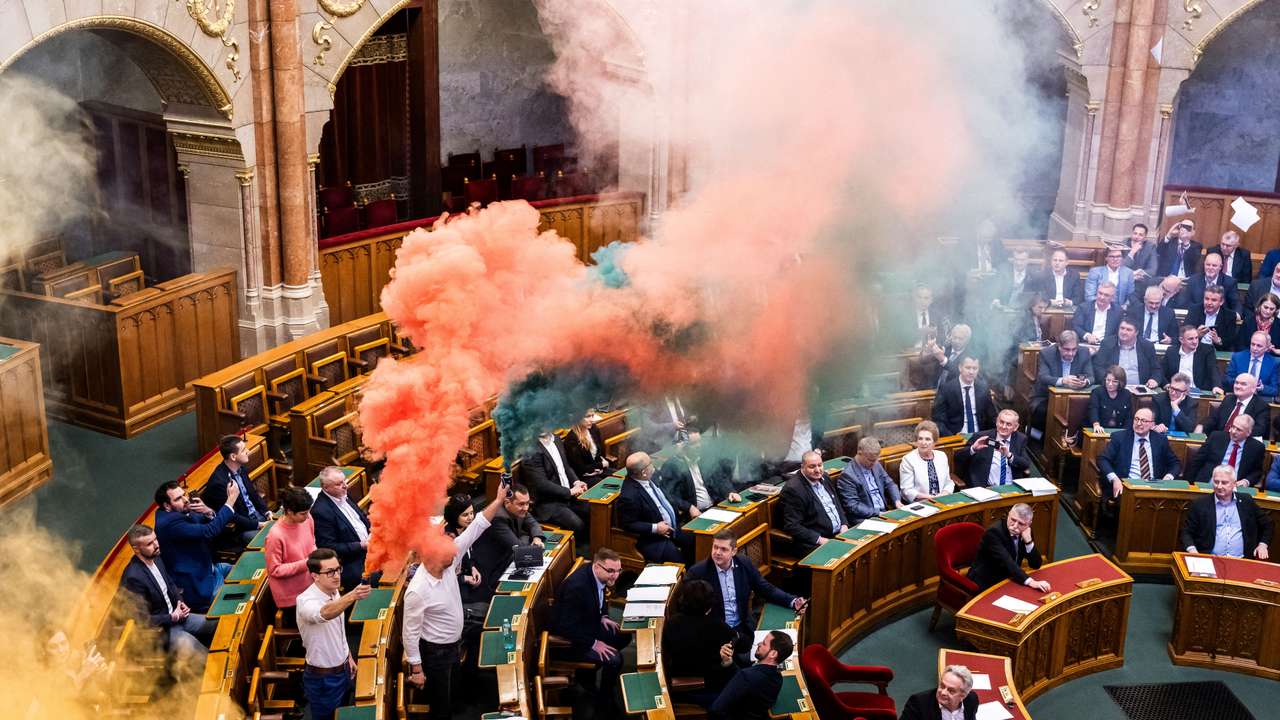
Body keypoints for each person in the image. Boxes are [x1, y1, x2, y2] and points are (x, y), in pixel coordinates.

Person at [402, 488, 504, 720]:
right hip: (435, 652)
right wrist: (416, 669)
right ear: (434, 558)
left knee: (453, 693)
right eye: (450, 560)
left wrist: (497, 499)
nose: (454, 564)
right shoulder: (417, 591)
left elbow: (476, 527)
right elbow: (409, 632)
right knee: (440, 703)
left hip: (454, 643)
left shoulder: (447, 558)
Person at [686, 530, 805, 655]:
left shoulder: (744, 563)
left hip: (743, 626)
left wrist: (792, 601)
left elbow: (765, 588)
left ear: (734, 551)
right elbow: (690, 610)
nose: (717, 553)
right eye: (715, 547)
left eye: (723, 549)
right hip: (717, 633)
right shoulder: (698, 573)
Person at [120, 524, 215, 671]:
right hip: (162, 632)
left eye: (155, 539)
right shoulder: (133, 578)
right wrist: (172, 617)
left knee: (216, 624)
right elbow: (141, 620)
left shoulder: (156, 558)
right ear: (136, 549)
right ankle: (214, 676)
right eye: (150, 543)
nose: (156, 545)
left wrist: (180, 602)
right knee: (195, 649)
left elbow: (170, 583)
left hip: (179, 617)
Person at [551, 548, 632, 713]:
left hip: (588, 624)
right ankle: (604, 700)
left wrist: (603, 616)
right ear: (597, 567)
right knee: (615, 659)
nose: (615, 576)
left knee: (623, 637)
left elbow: (601, 598)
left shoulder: (598, 576)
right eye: (610, 571)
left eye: (618, 571)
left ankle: (588, 673)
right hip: (571, 641)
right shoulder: (578, 587)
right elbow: (564, 626)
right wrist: (593, 643)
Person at [296, 548, 371, 720]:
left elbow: (338, 630)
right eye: (330, 572)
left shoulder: (333, 590)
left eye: (338, 569)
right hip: (323, 679)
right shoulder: (304, 601)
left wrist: (348, 656)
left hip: (343, 669)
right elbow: (324, 614)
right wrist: (353, 595)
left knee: (343, 713)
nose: (337, 576)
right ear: (315, 576)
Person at [153, 479, 238, 613]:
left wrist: (208, 511)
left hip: (212, 569)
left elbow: (202, 521)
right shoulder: (169, 524)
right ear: (167, 506)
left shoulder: (180, 512)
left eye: (183, 494)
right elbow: (209, 531)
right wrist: (230, 501)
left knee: (246, 573)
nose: (185, 500)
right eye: (178, 498)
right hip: (200, 584)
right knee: (239, 600)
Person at [662, 579, 737, 707]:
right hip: (706, 686)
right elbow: (738, 641)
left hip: (678, 674)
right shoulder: (718, 627)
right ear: (709, 607)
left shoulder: (672, 623)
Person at [470, 483, 545, 601]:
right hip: (493, 569)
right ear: (506, 502)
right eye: (521, 504)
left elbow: (533, 523)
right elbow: (520, 549)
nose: (526, 508)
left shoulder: (519, 509)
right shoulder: (497, 518)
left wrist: (537, 538)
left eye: (527, 503)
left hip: (507, 555)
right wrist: (529, 543)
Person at [1180, 466, 1273, 559]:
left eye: (1224, 482)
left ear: (1234, 484)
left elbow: (1268, 524)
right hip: (1209, 559)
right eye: (1216, 482)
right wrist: (1192, 551)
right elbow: (1186, 532)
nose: (1219, 486)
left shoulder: (1246, 501)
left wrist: (1263, 544)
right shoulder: (1200, 504)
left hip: (1241, 560)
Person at [618, 451, 695, 563]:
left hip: (673, 528)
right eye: (650, 463)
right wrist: (655, 528)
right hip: (653, 539)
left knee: (698, 541)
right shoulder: (629, 496)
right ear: (644, 472)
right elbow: (628, 524)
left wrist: (688, 507)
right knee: (677, 560)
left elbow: (667, 496)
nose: (653, 465)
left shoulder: (650, 477)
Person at [201, 434, 271, 548]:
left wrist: (266, 511)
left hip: (259, 517)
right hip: (243, 529)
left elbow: (253, 494)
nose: (248, 451)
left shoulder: (240, 468)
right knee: (274, 540)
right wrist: (258, 524)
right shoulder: (219, 483)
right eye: (243, 450)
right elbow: (232, 516)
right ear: (233, 457)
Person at [708, 630, 794, 720]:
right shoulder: (778, 679)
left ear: (773, 654)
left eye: (764, 643)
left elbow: (716, 710)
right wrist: (729, 663)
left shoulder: (746, 676)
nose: (759, 644)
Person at [310, 466, 371, 591]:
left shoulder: (344, 494)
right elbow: (328, 547)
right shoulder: (321, 511)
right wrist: (360, 545)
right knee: (376, 576)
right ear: (325, 487)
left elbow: (361, 519)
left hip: (369, 548)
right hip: (350, 560)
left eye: (344, 481)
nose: (345, 486)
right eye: (339, 484)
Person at [658, 430, 742, 521]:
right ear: (683, 446)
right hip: (694, 515)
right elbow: (669, 495)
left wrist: (730, 491)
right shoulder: (672, 466)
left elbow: (720, 478)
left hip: (716, 507)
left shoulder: (706, 457)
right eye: (694, 444)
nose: (699, 446)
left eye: (699, 441)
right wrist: (689, 507)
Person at [1098, 408, 1181, 499]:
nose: (1138, 423)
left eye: (1143, 421)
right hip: (1127, 487)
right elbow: (1103, 459)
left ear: (1152, 424)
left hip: (1154, 488)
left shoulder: (1160, 440)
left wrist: (1168, 478)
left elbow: (1175, 463)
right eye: (1136, 419)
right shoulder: (1119, 437)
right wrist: (1115, 479)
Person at [966, 504, 1049, 592]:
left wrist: (1028, 542)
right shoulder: (994, 532)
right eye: (1013, 520)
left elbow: (1035, 564)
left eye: (1021, 523)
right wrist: (1031, 582)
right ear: (1008, 514)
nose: (1015, 526)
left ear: (1028, 524)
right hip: (986, 581)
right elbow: (1007, 561)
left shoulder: (1026, 532)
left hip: (1010, 577)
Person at [779, 450, 848, 553]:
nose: (817, 470)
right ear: (802, 467)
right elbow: (792, 526)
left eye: (820, 465)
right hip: (816, 542)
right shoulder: (793, 490)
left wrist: (844, 525)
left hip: (839, 534)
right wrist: (820, 540)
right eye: (812, 467)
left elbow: (836, 503)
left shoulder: (824, 477)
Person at [264, 487, 317, 621]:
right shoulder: (275, 536)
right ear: (289, 512)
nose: (307, 516)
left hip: (313, 583)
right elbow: (275, 570)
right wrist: (306, 563)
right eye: (303, 513)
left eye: (308, 512)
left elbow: (312, 542)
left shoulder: (307, 518)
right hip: (293, 596)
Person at [522, 431, 590, 534]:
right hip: (548, 502)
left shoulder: (556, 439)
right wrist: (569, 491)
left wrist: (576, 481)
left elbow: (566, 466)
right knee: (577, 524)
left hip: (568, 496)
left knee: (593, 512)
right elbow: (541, 484)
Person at [1031, 330, 1092, 429]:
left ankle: (1072, 439)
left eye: (1074, 349)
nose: (1071, 353)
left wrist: (1085, 382)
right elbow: (1043, 377)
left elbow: (1091, 377)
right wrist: (1063, 381)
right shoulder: (1047, 353)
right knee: (1045, 413)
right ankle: (1042, 438)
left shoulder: (1084, 352)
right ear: (1059, 347)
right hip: (1046, 397)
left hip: (1074, 399)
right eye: (1067, 349)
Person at [958, 409, 1030, 488]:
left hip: (1011, 488)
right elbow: (958, 457)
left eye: (1008, 424)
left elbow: (1025, 464)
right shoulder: (981, 437)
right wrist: (973, 449)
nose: (1003, 426)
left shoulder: (1020, 439)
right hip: (986, 488)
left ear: (1015, 427)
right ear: (996, 422)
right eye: (1001, 422)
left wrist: (1009, 455)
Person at [837, 437, 904, 521]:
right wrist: (878, 513)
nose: (874, 463)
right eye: (870, 460)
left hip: (885, 512)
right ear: (859, 453)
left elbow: (890, 483)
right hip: (865, 518)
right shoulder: (848, 476)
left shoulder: (876, 464)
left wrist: (897, 501)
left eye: (876, 460)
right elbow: (853, 506)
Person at [1186, 415, 1264, 486]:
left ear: (1248, 433)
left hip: (1235, 487)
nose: (1233, 431)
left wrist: (1246, 481)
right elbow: (1196, 461)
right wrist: (1189, 484)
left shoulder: (1256, 447)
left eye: (1239, 430)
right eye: (1233, 427)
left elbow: (1257, 471)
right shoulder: (1216, 437)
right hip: (1209, 483)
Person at [932, 356, 996, 436]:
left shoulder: (983, 388)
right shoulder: (946, 389)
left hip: (979, 436)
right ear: (960, 368)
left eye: (975, 368)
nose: (971, 372)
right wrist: (952, 437)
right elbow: (938, 420)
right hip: (956, 436)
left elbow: (992, 416)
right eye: (968, 368)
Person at [1198, 372, 1271, 440]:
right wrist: (1201, 426)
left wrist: (1237, 433)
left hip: (1242, 442)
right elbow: (1213, 419)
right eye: (1236, 383)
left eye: (1243, 384)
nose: (1238, 386)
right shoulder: (1228, 399)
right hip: (1220, 440)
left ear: (1253, 389)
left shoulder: (1261, 406)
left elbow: (1260, 429)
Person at [1091, 317, 1160, 387]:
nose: (1124, 332)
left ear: (1136, 332)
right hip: (1113, 389)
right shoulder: (1107, 344)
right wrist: (1109, 382)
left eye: (1128, 330)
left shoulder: (1147, 346)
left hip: (1140, 389)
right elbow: (1097, 367)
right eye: (1122, 328)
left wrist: (1154, 379)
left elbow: (1156, 369)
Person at [899, 664, 980, 720]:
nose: (943, 692)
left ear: (963, 696)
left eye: (951, 690)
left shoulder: (971, 699)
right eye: (942, 686)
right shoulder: (918, 703)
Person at [899, 421, 954, 502]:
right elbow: (907, 491)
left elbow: (948, 483)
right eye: (920, 438)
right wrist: (930, 498)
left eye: (927, 439)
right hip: (920, 504)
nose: (923, 443)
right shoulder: (908, 460)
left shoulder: (942, 456)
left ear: (934, 442)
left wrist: (943, 495)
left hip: (943, 500)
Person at [1162, 324, 1220, 392]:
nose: (1195, 342)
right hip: (1175, 391)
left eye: (1196, 338)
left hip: (1197, 391)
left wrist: (1216, 386)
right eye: (1190, 339)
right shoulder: (1171, 351)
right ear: (1181, 340)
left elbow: (1213, 370)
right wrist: (1166, 384)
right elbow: (1161, 372)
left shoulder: (1207, 350)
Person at [1225, 331, 1280, 397]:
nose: (1254, 348)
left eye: (1259, 346)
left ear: (1267, 348)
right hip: (1238, 396)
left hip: (1259, 399)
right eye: (1253, 344)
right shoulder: (1237, 357)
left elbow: (1275, 390)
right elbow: (1228, 379)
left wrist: (1262, 388)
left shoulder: (1274, 363)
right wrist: (1242, 384)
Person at [1185, 285, 1238, 351]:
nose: (1209, 303)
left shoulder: (1229, 315)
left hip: (1216, 351)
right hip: (1195, 350)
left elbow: (1230, 341)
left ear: (1221, 302)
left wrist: (1218, 341)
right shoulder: (1194, 310)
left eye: (1214, 300)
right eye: (1206, 299)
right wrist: (1196, 334)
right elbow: (1184, 332)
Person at [563, 410, 611, 481]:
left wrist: (601, 467)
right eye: (588, 416)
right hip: (585, 477)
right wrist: (601, 465)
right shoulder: (571, 439)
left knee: (623, 478)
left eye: (592, 416)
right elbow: (580, 468)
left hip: (600, 470)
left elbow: (601, 454)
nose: (592, 420)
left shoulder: (594, 428)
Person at [1088, 365, 1134, 433]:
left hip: (1119, 430)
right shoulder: (1097, 392)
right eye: (1108, 380)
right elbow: (1093, 409)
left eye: (1114, 381)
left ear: (1120, 383)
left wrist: (1126, 432)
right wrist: (1096, 425)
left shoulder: (1127, 394)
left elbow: (1129, 417)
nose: (1110, 384)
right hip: (1099, 428)